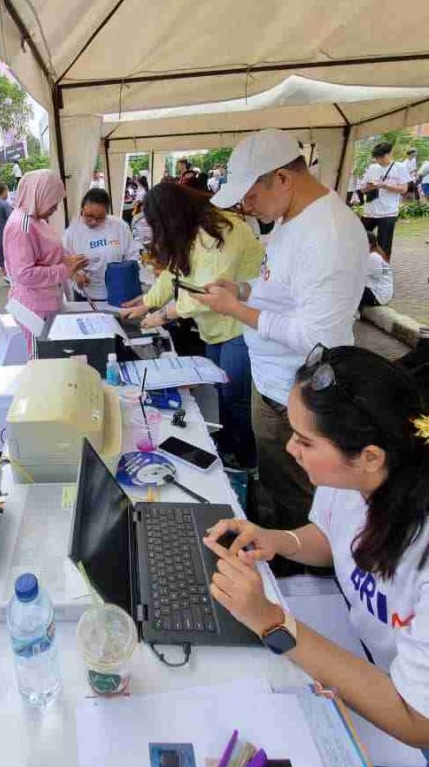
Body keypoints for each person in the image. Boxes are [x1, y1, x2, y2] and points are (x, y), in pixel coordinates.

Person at [204, 346, 429, 751]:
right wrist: (277, 539)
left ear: (370, 457)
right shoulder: (353, 480)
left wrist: (272, 623)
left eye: (305, 441)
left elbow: (417, 721)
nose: (291, 449)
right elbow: (331, 538)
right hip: (363, 655)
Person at [196, 129, 368, 529]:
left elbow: (318, 339)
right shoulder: (291, 219)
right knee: (276, 481)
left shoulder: (328, 235)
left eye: (251, 196)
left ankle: (298, 557)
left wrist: (237, 310)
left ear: (283, 178)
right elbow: (279, 286)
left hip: (298, 392)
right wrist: (242, 289)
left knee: (300, 499)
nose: (246, 206)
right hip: (274, 383)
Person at [122, 181, 265, 468]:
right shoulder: (191, 231)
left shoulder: (222, 230)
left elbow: (207, 292)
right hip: (215, 328)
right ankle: (228, 448)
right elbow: (173, 274)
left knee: (235, 397)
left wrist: (164, 314)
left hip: (240, 325)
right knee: (220, 392)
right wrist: (147, 302)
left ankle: (247, 460)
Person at [3, 170, 87, 351]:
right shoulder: (22, 225)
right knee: (43, 356)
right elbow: (24, 274)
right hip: (33, 307)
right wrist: (65, 269)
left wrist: (71, 262)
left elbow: (49, 252)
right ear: (39, 195)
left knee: (51, 354)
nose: (56, 208)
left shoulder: (36, 219)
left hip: (44, 302)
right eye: (53, 202)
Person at [63, 188, 139, 302]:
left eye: (100, 218)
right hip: (86, 294)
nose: (94, 221)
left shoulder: (120, 227)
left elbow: (132, 256)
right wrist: (75, 275)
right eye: (89, 215)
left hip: (118, 291)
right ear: (82, 209)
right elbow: (64, 262)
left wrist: (124, 274)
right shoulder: (71, 232)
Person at [361, 142, 411, 259]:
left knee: (384, 245)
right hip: (370, 211)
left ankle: (383, 267)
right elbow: (362, 189)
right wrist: (369, 187)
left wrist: (384, 185)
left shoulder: (399, 167)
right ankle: (362, 264)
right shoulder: (372, 168)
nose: (379, 160)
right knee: (361, 239)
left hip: (388, 212)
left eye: (381, 157)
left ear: (389, 154)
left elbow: (404, 189)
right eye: (377, 158)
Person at [360, 232, 393, 309]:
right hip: (381, 294)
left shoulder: (373, 258)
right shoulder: (376, 255)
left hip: (378, 297)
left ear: (369, 244)